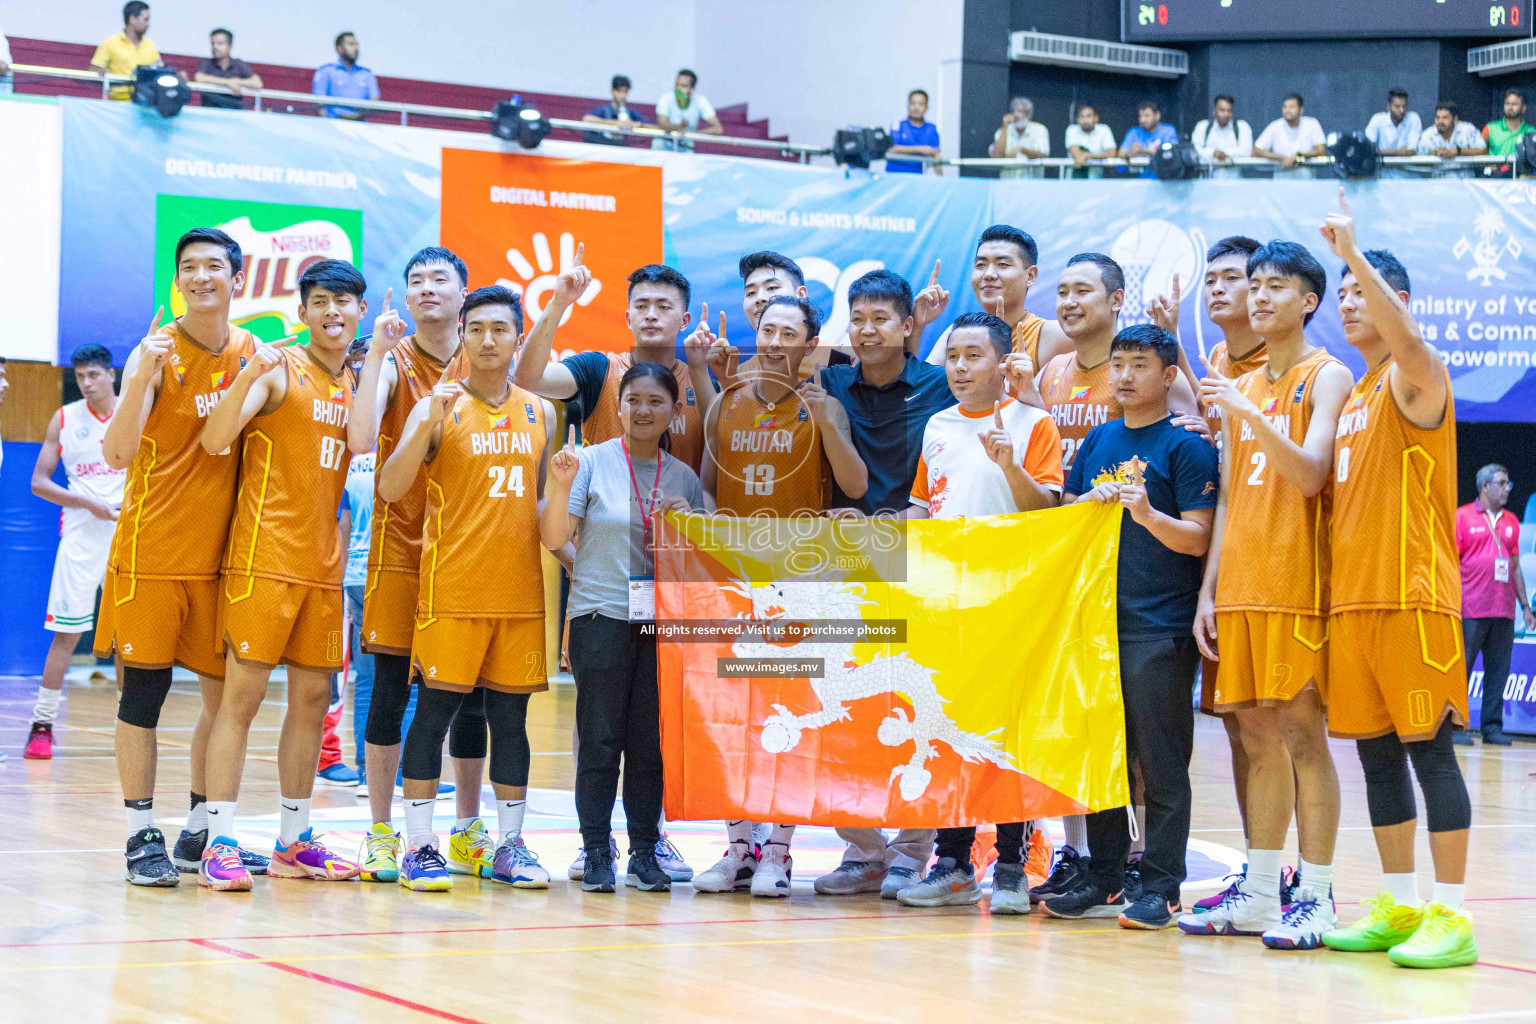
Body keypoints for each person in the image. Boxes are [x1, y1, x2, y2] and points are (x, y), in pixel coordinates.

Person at [1316, 189, 1478, 969]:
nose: (1347, 302)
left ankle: (1453, 915)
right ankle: (1401, 902)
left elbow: (1410, 343)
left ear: (1396, 301)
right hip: (1353, 605)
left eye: (1360, 290)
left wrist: (1353, 252)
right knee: (1377, 758)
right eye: (1341, 293)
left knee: (1431, 753)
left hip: (1412, 598)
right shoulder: (1352, 394)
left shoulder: (1417, 381)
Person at [1183, 240, 1353, 949]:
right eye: (1252, 286)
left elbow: (1311, 473)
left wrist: (1248, 416)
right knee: (1254, 737)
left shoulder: (1328, 374)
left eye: (1273, 286)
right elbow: (1224, 498)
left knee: (1302, 736)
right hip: (1243, 583)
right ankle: (1258, 888)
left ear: (1308, 300)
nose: (1257, 297)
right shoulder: (1241, 389)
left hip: (1296, 581)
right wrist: (1209, 589)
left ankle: (1315, 893)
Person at [96, 227, 264, 887]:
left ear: (237, 280)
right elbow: (115, 455)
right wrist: (137, 374)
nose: (201, 277)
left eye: (214, 266)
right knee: (145, 695)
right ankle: (141, 832)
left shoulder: (255, 352)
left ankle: (201, 827)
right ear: (178, 280)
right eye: (189, 267)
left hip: (223, 563)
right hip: (152, 555)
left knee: (226, 701)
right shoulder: (156, 352)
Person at [1039, 324, 1218, 930]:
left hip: (1159, 624)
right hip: (1094, 622)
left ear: (1168, 377)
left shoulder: (1187, 446)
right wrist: (1082, 507)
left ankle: (1162, 884)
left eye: (1138, 364)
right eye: (1117, 364)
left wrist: (1145, 513)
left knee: (1162, 761)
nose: (1123, 375)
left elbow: (1198, 538)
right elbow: (1065, 513)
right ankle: (1106, 873)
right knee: (1104, 755)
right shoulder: (1095, 440)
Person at [194, 259, 366, 890]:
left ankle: (295, 840)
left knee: (313, 702)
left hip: (323, 569)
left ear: (359, 313)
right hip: (263, 559)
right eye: (319, 301)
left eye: (343, 302)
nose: (331, 312)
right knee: (242, 699)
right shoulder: (277, 369)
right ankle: (220, 842)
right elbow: (214, 439)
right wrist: (246, 379)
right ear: (303, 312)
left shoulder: (355, 383)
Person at [377, 285, 555, 894]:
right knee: (431, 719)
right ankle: (420, 846)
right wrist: (420, 422)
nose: (486, 340)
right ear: (463, 334)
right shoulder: (440, 405)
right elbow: (391, 487)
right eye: (475, 328)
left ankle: (508, 845)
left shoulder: (542, 412)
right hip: (451, 591)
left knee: (512, 723)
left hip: (519, 597)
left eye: (499, 329)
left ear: (517, 337)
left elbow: (539, 507)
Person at [692, 295, 867, 897]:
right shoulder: (724, 404)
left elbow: (855, 485)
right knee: (735, 719)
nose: (773, 341)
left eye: (788, 333)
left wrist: (827, 427)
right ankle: (739, 847)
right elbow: (710, 491)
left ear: (809, 343)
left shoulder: (823, 406)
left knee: (788, 713)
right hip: (739, 585)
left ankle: (780, 852)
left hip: (801, 585)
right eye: (766, 330)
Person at [893, 312, 1063, 914]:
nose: (960, 369)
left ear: (1002, 362)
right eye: (954, 357)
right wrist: (912, 578)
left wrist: (1008, 464)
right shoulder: (937, 424)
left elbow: (1047, 510)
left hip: (1012, 603)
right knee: (947, 731)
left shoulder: (1034, 424)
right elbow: (921, 508)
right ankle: (954, 861)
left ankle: (1013, 865)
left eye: (974, 356)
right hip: (947, 605)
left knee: (1007, 733)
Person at [808, 270, 955, 898]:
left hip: (919, 569)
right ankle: (863, 851)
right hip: (843, 570)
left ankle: (910, 851)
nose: (866, 330)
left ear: (907, 326)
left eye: (880, 318)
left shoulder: (941, 385)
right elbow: (788, 347)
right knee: (838, 711)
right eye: (857, 318)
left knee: (920, 713)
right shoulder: (831, 381)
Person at [347, 248, 489, 882]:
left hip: (470, 552)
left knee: (472, 698)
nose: (427, 289)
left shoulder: (486, 356)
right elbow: (358, 435)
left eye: (440, 280)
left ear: (464, 295)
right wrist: (375, 350)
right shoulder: (393, 361)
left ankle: (465, 828)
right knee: (387, 694)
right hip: (401, 552)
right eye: (416, 282)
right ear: (405, 298)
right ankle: (380, 832)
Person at [542, 362, 703, 893]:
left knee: (649, 746)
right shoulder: (588, 461)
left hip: (661, 628)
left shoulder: (683, 478)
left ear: (674, 412)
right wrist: (561, 486)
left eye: (656, 401)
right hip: (600, 617)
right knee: (600, 742)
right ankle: (594, 853)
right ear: (620, 405)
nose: (643, 410)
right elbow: (552, 534)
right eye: (633, 400)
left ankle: (644, 853)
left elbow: (702, 563)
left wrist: (690, 524)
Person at [22, 345, 126, 761]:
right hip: (81, 536)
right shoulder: (64, 418)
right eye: (81, 376)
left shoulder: (135, 412)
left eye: (94, 375)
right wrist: (87, 503)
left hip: (126, 534)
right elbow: (39, 482)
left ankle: (128, 724)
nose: (87, 383)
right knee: (67, 635)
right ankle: (41, 726)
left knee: (127, 639)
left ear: (112, 375)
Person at [515, 258, 706, 474]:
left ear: (685, 321)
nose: (651, 315)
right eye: (641, 306)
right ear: (628, 318)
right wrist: (559, 302)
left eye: (663, 307)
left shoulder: (702, 382)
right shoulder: (598, 369)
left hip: (679, 507)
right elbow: (527, 380)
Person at [922, 225, 1071, 373]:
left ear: (1030, 276)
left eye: (1002, 264)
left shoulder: (1054, 335)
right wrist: (918, 325)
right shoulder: (958, 333)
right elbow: (920, 390)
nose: (989, 274)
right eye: (981, 265)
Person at [1455, 464, 1533, 747]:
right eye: (1501, 483)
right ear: (1484, 487)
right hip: (1470, 610)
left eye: (1508, 484)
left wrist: (1525, 606)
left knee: (1498, 673)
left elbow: (1514, 567)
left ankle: (1492, 728)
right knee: (1460, 671)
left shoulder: (1511, 521)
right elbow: (1451, 564)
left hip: (1503, 610)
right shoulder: (1462, 517)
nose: (1506, 489)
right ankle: (1456, 728)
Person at [91, 2, 158, 102]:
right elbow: (94, 69)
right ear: (132, 19)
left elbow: (159, 70)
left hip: (143, 106)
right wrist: (100, 70)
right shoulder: (111, 42)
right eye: (145, 19)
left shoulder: (150, 46)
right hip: (117, 105)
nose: (148, 24)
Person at [1253, 94, 1327, 175]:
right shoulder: (1275, 126)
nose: (1287, 110)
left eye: (1291, 107)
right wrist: (1282, 158)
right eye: (1285, 107)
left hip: (1306, 182)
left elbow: (1321, 151)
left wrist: (1298, 156)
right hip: (1281, 182)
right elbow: (1256, 151)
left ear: (1301, 110)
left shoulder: (1312, 124)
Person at [313, 32, 379, 120]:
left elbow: (374, 100)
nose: (356, 48)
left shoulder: (367, 74)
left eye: (356, 44)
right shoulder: (326, 71)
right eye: (351, 44)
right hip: (332, 125)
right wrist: (327, 126)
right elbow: (319, 102)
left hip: (360, 126)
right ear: (339, 48)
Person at [653, 68, 722, 152]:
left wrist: (692, 135)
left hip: (686, 148)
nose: (678, 89)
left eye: (683, 86)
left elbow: (718, 129)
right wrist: (679, 127)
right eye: (677, 85)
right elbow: (662, 124)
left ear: (692, 88)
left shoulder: (700, 101)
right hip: (663, 145)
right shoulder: (666, 98)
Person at [194, 28, 261, 109]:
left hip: (234, 114)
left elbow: (257, 83)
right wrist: (228, 83)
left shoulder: (238, 64)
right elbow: (199, 78)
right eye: (212, 43)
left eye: (220, 43)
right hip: (210, 113)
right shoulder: (206, 62)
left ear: (230, 46)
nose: (215, 47)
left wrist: (237, 82)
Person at [991, 96, 1050, 179]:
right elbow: (997, 156)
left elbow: (1043, 155)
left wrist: (1022, 150)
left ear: (1029, 114)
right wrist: (1005, 126)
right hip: (1007, 184)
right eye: (1014, 111)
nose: (1015, 114)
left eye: (1020, 111)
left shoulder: (1039, 130)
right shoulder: (1003, 131)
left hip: (1032, 185)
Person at [583, 74, 650, 146]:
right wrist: (616, 123)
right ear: (612, 91)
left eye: (625, 92)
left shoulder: (630, 112)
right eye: (619, 91)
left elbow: (650, 125)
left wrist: (638, 124)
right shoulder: (604, 110)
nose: (622, 96)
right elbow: (587, 119)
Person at [886, 88, 941, 174]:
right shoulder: (898, 125)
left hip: (918, 178)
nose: (916, 108)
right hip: (894, 176)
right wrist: (920, 149)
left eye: (920, 104)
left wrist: (941, 181)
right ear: (908, 105)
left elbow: (936, 155)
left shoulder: (931, 129)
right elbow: (892, 149)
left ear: (926, 107)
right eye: (912, 103)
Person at [1118, 101, 1179, 178]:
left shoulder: (1168, 130)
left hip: (1163, 181)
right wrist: (1129, 154)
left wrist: (1143, 150)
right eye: (1140, 116)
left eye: (1147, 116)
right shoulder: (1134, 132)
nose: (1142, 120)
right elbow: (1120, 153)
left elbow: (1170, 154)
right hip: (1138, 182)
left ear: (1157, 116)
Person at [1191, 95, 1253, 169]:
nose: (1226, 114)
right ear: (1214, 111)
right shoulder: (1203, 126)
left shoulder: (1242, 127)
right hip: (1207, 178)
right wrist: (1213, 153)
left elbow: (1247, 151)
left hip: (1234, 179)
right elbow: (1195, 150)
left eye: (1229, 110)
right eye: (1222, 110)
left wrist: (1225, 153)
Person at [1417, 101, 1486, 160]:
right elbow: (1418, 160)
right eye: (1438, 117)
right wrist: (1434, 154)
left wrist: (1458, 151)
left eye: (1445, 118)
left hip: (1464, 174)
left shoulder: (1467, 129)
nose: (1440, 121)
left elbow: (1483, 151)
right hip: (1437, 174)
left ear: (1455, 119)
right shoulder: (1428, 134)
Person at [1065, 104, 1118, 178]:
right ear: (1077, 119)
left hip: (1096, 180)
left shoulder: (1104, 129)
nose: (1085, 120)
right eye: (1081, 117)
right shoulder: (1072, 129)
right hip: (1074, 180)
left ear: (1096, 118)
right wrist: (1099, 155)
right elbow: (1077, 155)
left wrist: (1087, 155)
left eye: (1088, 116)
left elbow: (1112, 153)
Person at [1365, 89, 1422, 157]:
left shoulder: (1413, 119)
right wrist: (1401, 152)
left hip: (1407, 166)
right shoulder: (1378, 119)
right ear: (1388, 107)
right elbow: (1369, 149)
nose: (1402, 110)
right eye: (1397, 106)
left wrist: (1381, 152)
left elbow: (1412, 151)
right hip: (1382, 166)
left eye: (1404, 106)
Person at [1482, 89, 1535, 157]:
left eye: (1514, 104)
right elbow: (1480, 152)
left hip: (1520, 168)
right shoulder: (1490, 128)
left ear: (1523, 108)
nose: (1510, 107)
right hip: (1494, 167)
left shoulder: (1531, 132)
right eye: (1507, 104)